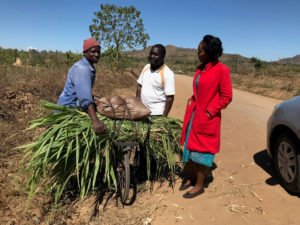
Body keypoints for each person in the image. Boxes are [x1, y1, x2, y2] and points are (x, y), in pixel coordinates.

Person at [179, 35, 232, 198]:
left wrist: (210, 111)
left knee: (203, 152)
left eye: (200, 50)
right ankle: (192, 177)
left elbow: (227, 96)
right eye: (198, 49)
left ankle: (200, 185)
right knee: (191, 148)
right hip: (195, 115)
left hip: (208, 118)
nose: (198, 52)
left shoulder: (222, 70)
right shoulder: (200, 68)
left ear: (209, 52)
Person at [57, 37, 105, 134]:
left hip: (73, 107)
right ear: (85, 52)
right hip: (68, 110)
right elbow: (85, 99)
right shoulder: (82, 69)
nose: (97, 54)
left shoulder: (88, 65)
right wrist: (95, 121)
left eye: (98, 52)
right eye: (93, 52)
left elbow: (82, 91)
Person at [136, 44, 175, 117]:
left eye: (155, 55)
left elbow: (170, 97)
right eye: (151, 53)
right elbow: (139, 86)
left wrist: (163, 117)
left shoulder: (168, 74)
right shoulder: (146, 67)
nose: (152, 56)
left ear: (163, 56)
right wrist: (138, 104)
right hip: (142, 111)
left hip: (156, 114)